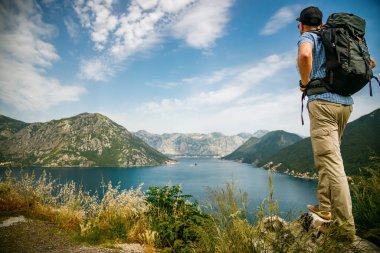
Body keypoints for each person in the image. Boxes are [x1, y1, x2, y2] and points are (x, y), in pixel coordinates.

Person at [296, 6, 376, 241]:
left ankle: (345, 229)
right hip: (345, 106)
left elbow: (305, 55)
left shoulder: (308, 37)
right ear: (321, 23)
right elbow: (370, 63)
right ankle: (325, 206)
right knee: (326, 159)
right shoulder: (337, 37)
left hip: (323, 104)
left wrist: (305, 83)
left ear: (301, 24)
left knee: (332, 164)